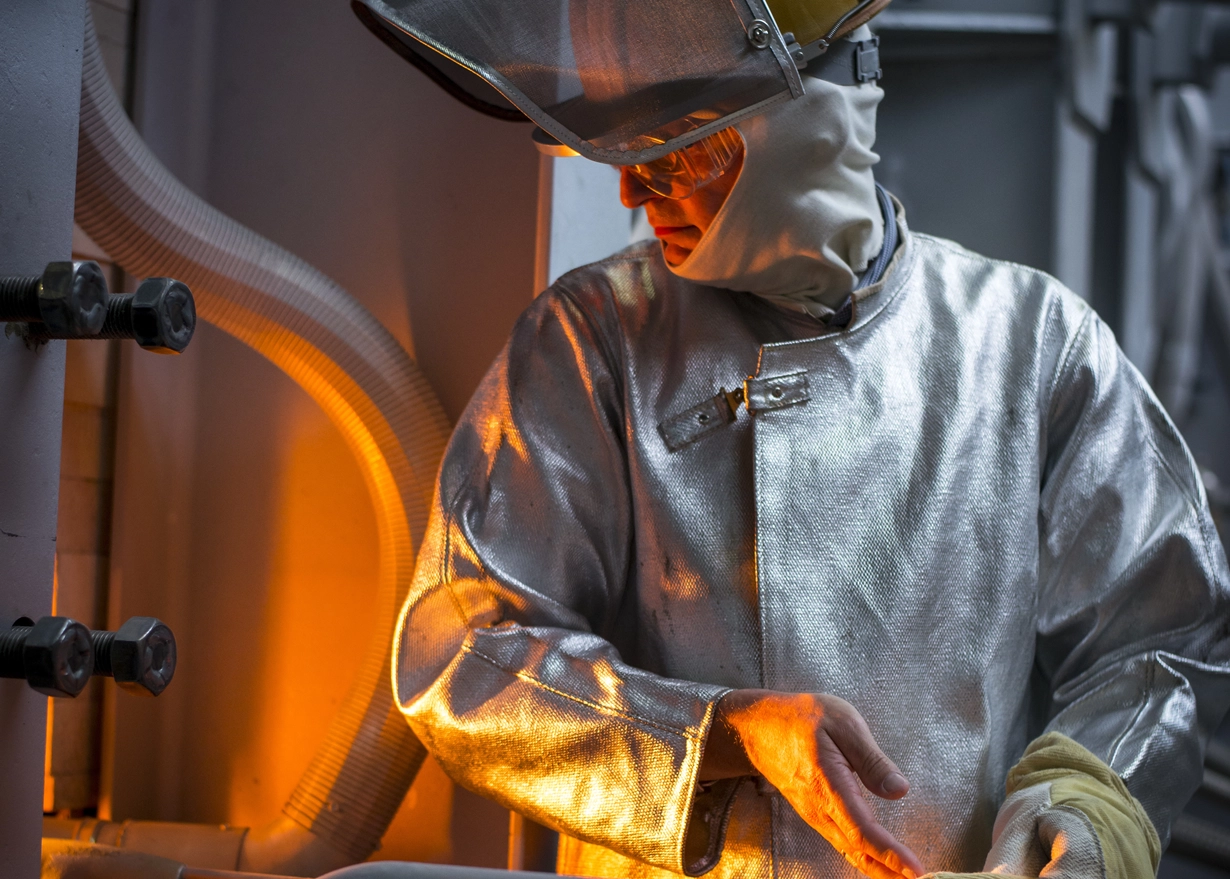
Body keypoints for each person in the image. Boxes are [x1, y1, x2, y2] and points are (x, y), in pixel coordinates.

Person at [355, 0, 1230, 876]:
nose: (631, 187)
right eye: (626, 147)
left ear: (804, 123)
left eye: (683, 145)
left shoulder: (1034, 341)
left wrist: (1085, 806)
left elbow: (1163, 643)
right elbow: (462, 655)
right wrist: (723, 730)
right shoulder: (593, 342)